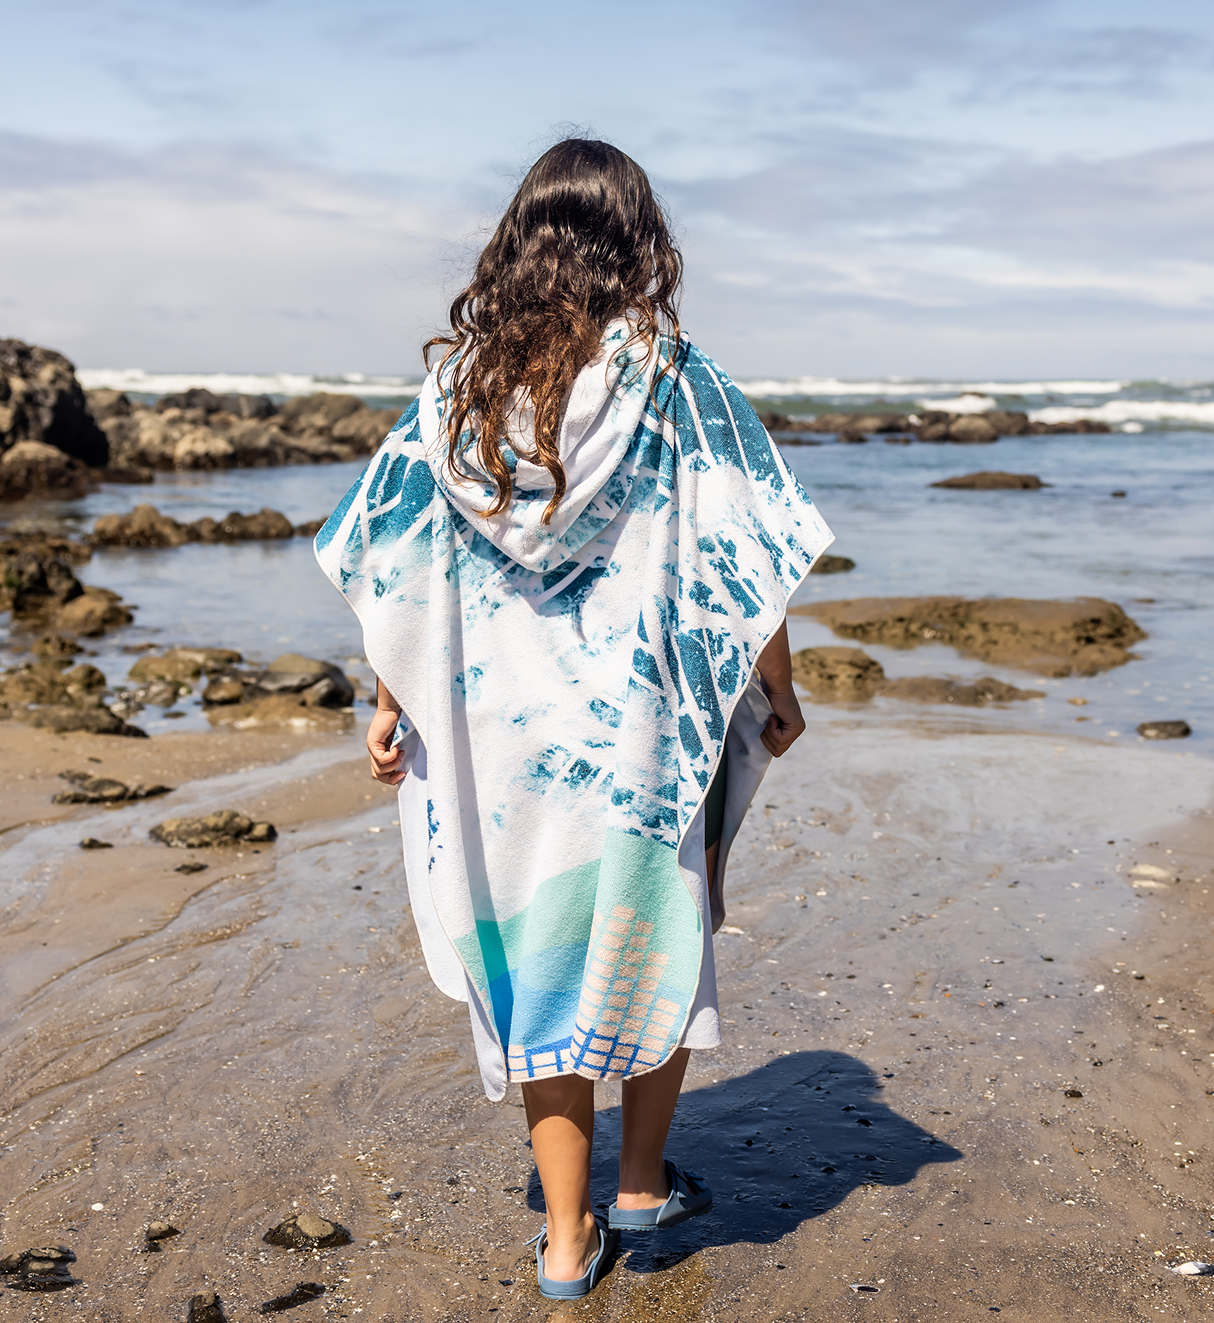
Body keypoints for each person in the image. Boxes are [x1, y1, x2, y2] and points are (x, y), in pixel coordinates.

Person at [314, 138, 831, 1300]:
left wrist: (390, 700)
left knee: (539, 957)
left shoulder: (455, 391)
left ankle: (565, 1240)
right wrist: (778, 691)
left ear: (519, 239)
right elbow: (749, 551)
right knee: (656, 928)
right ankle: (641, 1183)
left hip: (505, 745)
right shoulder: (675, 376)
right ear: (635, 241)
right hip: (646, 727)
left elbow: (396, 561)